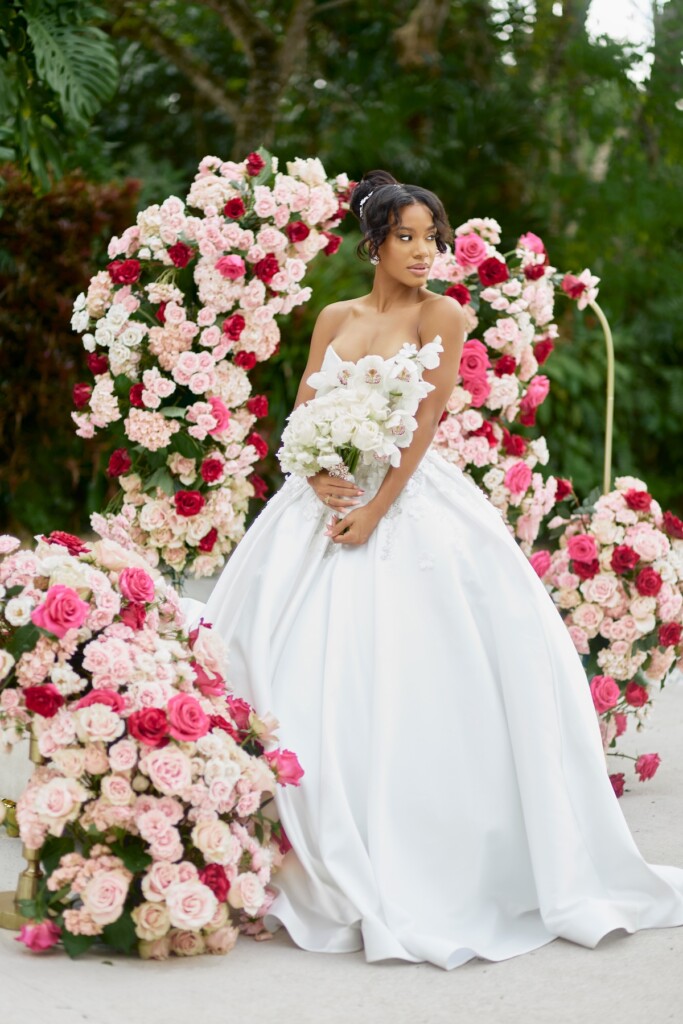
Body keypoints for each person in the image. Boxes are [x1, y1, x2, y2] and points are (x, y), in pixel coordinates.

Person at [192, 170, 683, 970]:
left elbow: (423, 426)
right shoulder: (334, 316)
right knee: (271, 654)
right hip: (316, 497)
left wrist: (375, 508)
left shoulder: (445, 315)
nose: (425, 252)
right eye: (407, 237)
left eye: (433, 237)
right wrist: (314, 474)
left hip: (405, 501)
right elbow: (306, 409)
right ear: (374, 243)